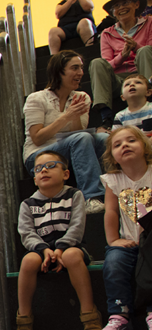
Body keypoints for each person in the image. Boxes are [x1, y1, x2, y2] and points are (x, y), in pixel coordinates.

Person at [16, 150, 100, 330]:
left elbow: (77, 226)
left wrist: (61, 248)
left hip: (71, 247)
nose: (44, 170)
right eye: (38, 169)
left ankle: (89, 315)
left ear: (66, 174)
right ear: (35, 180)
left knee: (71, 256)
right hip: (41, 250)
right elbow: (26, 233)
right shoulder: (28, 204)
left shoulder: (74, 195)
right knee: (28, 260)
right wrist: (44, 249)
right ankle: (24, 318)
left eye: (50, 165)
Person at [23, 51, 108, 215]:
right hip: (38, 155)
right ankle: (91, 198)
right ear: (59, 71)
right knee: (82, 138)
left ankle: (114, 191)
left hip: (71, 146)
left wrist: (75, 117)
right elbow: (37, 138)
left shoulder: (82, 97)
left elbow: (79, 135)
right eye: (75, 68)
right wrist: (66, 116)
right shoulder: (36, 98)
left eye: (81, 68)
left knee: (104, 138)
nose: (81, 73)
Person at [96, 126, 152, 330]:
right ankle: (120, 317)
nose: (125, 145)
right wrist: (113, 240)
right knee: (114, 262)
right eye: (118, 145)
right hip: (127, 242)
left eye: (131, 141)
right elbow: (110, 212)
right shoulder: (114, 180)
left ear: (145, 148)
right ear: (114, 157)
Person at [91, 0, 152, 128]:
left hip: (142, 72)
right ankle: (106, 117)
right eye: (117, 6)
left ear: (136, 5)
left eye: (125, 3)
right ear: (113, 12)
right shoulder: (107, 33)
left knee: (145, 50)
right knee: (97, 63)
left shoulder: (149, 23)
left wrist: (136, 46)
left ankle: (149, 98)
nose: (121, 8)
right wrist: (122, 56)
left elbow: (149, 53)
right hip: (119, 80)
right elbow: (107, 65)